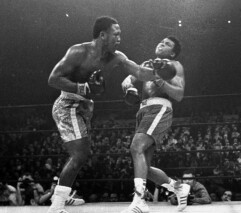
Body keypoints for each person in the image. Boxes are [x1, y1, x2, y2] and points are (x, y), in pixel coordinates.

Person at [47, 16, 162, 213]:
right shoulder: (78, 51)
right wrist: (82, 88)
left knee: (80, 155)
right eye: (116, 34)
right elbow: (53, 79)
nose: (119, 38)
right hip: (67, 104)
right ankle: (57, 206)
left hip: (84, 106)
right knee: (79, 155)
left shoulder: (116, 57)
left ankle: (63, 195)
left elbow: (140, 72)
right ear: (103, 35)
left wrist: (160, 70)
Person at [121, 36, 191, 213]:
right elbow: (127, 80)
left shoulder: (175, 66)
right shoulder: (147, 63)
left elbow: (179, 94)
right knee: (145, 166)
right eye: (161, 41)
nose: (162, 44)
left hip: (160, 107)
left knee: (136, 147)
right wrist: (129, 86)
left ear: (173, 52)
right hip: (143, 110)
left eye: (168, 44)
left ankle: (139, 201)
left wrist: (160, 79)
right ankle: (178, 188)